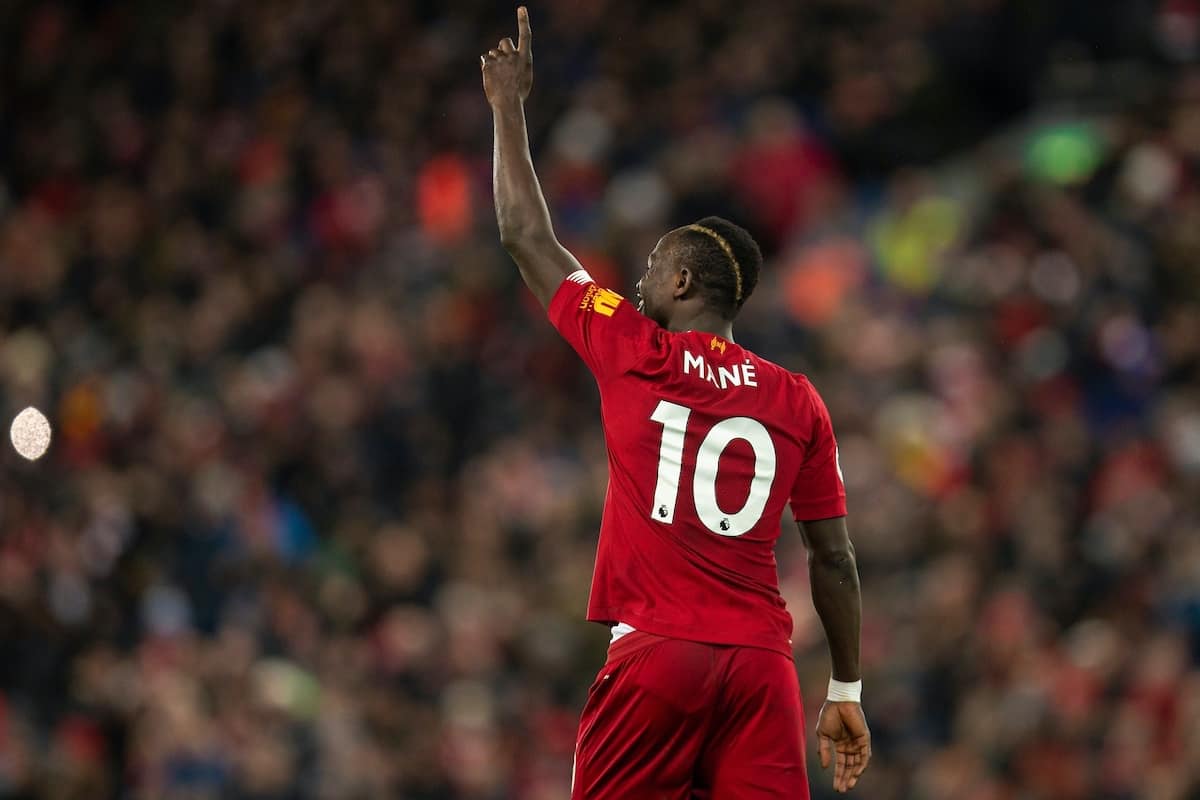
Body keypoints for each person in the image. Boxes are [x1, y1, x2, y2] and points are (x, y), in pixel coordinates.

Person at [482, 9, 871, 797]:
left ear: (684, 284)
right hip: (762, 669)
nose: (637, 280)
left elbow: (526, 234)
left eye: (653, 266)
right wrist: (846, 691)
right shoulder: (797, 399)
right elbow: (832, 558)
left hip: (658, 654)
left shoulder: (636, 347)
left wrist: (506, 106)